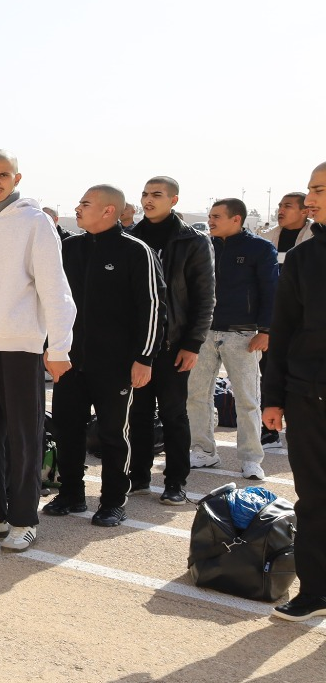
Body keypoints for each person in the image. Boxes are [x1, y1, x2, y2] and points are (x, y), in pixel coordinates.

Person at [0, 151, 77, 553]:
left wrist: (59, 346)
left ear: (17, 177)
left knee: (25, 436)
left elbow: (55, 289)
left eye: (3, 174)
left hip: (20, 346)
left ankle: (24, 520)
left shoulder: (35, 222)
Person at [42, 184, 164, 529]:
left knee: (112, 434)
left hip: (116, 365)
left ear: (109, 210)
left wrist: (145, 357)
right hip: (70, 361)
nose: (77, 209)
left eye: (85, 203)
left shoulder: (136, 251)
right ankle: (71, 494)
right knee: (67, 429)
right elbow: (52, 303)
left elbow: (153, 308)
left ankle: (113, 501)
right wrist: (51, 347)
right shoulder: (69, 248)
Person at [262, 163, 326, 621]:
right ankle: (316, 591)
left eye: (319, 190)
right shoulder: (304, 258)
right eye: (309, 191)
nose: (310, 200)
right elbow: (282, 330)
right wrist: (274, 397)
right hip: (308, 396)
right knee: (315, 498)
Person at [127, 175, 214, 504]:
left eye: (157, 195)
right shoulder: (130, 236)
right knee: (137, 413)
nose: (148, 200)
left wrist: (193, 344)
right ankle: (138, 476)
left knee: (174, 414)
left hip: (174, 345)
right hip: (137, 345)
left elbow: (205, 298)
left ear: (173, 200)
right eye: (145, 194)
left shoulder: (193, 241)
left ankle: (176, 481)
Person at [188, 197, 276, 482]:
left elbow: (271, 290)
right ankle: (203, 451)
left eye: (216, 216)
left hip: (243, 335)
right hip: (203, 334)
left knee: (248, 400)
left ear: (236, 219)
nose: (210, 221)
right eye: (210, 215)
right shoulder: (204, 246)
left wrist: (266, 331)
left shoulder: (260, 248)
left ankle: (251, 460)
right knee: (196, 396)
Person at [262, 191, 310, 262]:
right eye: (280, 206)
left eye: (287, 206)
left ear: (305, 212)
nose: (280, 211)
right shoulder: (265, 238)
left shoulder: (318, 237)